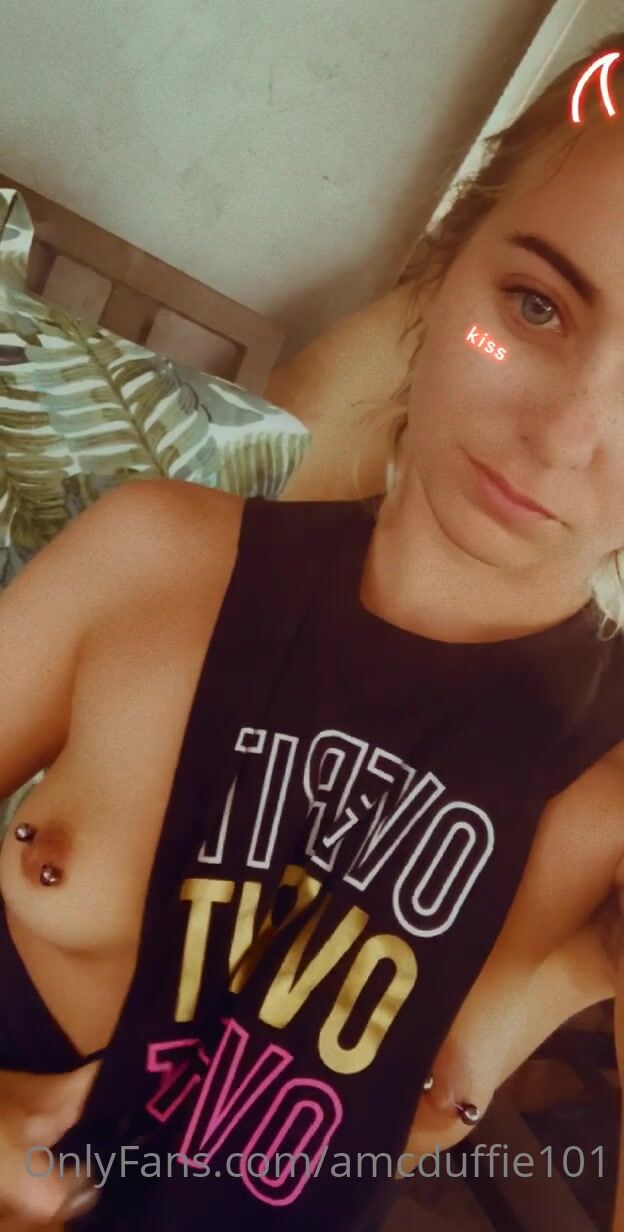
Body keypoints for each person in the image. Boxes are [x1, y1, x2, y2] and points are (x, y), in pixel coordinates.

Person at [2, 27, 624, 1232]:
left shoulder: (606, 796)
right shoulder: (148, 564)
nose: (561, 435)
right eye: (534, 305)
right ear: (445, 272)